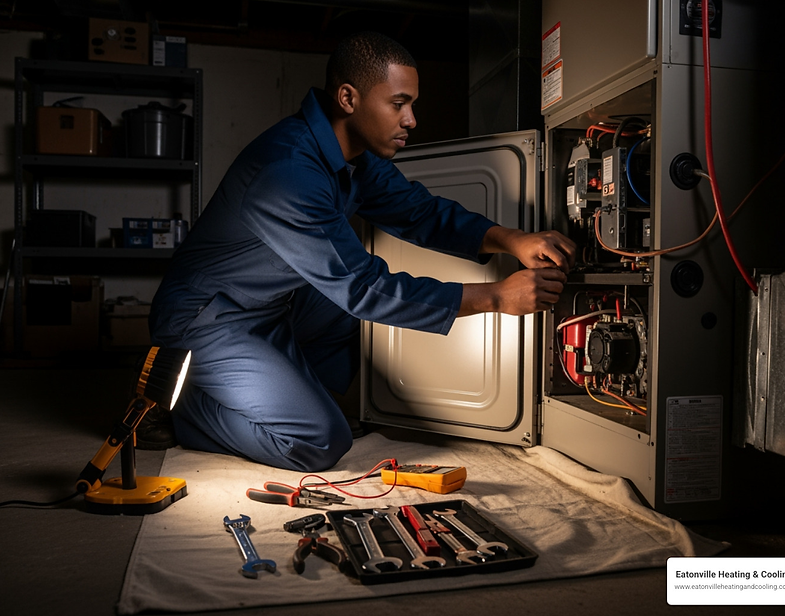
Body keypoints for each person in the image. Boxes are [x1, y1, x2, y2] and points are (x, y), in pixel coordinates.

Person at [144, 31, 576, 471]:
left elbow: (419, 212)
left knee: (344, 312)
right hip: (207, 319)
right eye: (398, 103)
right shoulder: (288, 170)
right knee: (317, 441)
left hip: (269, 304)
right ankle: (180, 407)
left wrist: (511, 238)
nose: (411, 120)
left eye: (412, 105)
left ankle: (299, 398)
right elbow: (363, 288)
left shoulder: (354, 159)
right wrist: (497, 298)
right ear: (348, 98)